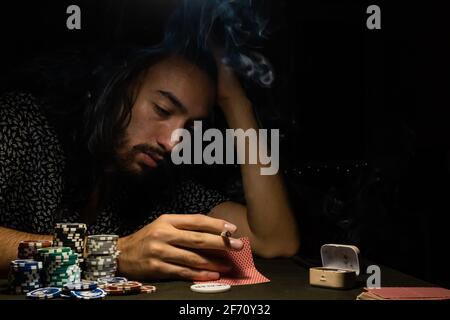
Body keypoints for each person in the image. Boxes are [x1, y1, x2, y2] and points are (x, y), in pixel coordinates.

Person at [0, 2, 300, 280]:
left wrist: (235, 102)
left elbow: (275, 240)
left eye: (191, 126)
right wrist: (115, 251)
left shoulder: (159, 184)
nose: (173, 142)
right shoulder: (22, 123)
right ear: (116, 82)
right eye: (162, 110)